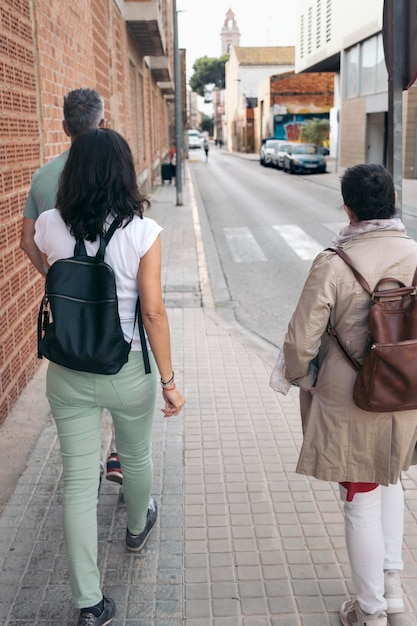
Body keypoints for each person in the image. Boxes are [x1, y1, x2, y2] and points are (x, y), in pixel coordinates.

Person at [34, 128, 186, 626]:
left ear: (72, 172)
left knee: (79, 482)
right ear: (123, 172)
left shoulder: (51, 225)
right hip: (127, 369)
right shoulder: (143, 232)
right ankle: (138, 527)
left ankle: (89, 604)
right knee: (136, 453)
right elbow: (155, 312)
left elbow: (48, 267)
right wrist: (168, 379)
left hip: (68, 369)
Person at [282, 164, 417, 626]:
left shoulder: (335, 261)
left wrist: (301, 378)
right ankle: (392, 588)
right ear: (395, 197)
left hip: (351, 395)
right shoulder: (416, 254)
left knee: (359, 493)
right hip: (407, 388)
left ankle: (371, 611)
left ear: (348, 208)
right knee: (391, 475)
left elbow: (302, 340)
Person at [20, 88, 123, 485]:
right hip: (115, 296)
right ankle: (116, 454)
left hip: (66, 301)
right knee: (117, 361)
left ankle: (88, 460)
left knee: (76, 364)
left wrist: (54, 277)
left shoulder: (44, 176)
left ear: (64, 127)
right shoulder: (112, 170)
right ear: (104, 123)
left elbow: (26, 241)